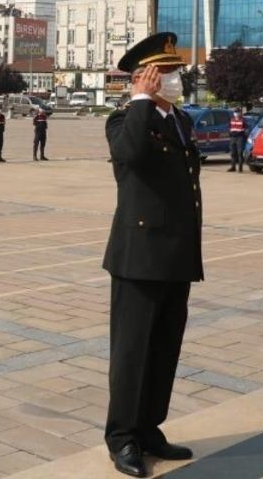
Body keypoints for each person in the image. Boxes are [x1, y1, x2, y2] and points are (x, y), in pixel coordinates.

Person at [103, 32, 202, 478]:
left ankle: (149, 429)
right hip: (139, 256)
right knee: (132, 352)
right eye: (165, 72)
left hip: (177, 254)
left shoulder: (180, 120)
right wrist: (141, 101)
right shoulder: (124, 120)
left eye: (175, 71)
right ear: (144, 77)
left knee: (164, 348)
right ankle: (122, 438)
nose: (175, 78)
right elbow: (131, 155)